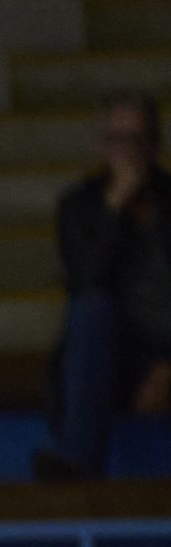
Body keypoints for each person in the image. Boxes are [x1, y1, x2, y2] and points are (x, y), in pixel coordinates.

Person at [43, 94, 171, 480]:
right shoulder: (78, 207)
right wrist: (115, 205)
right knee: (90, 309)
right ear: (102, 146)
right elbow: (86, 280)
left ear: (154, 146)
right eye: (116, 139)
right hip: (108, 357)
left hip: (163, 350)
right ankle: (79, 460)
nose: (126, 151)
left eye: (135, 139)